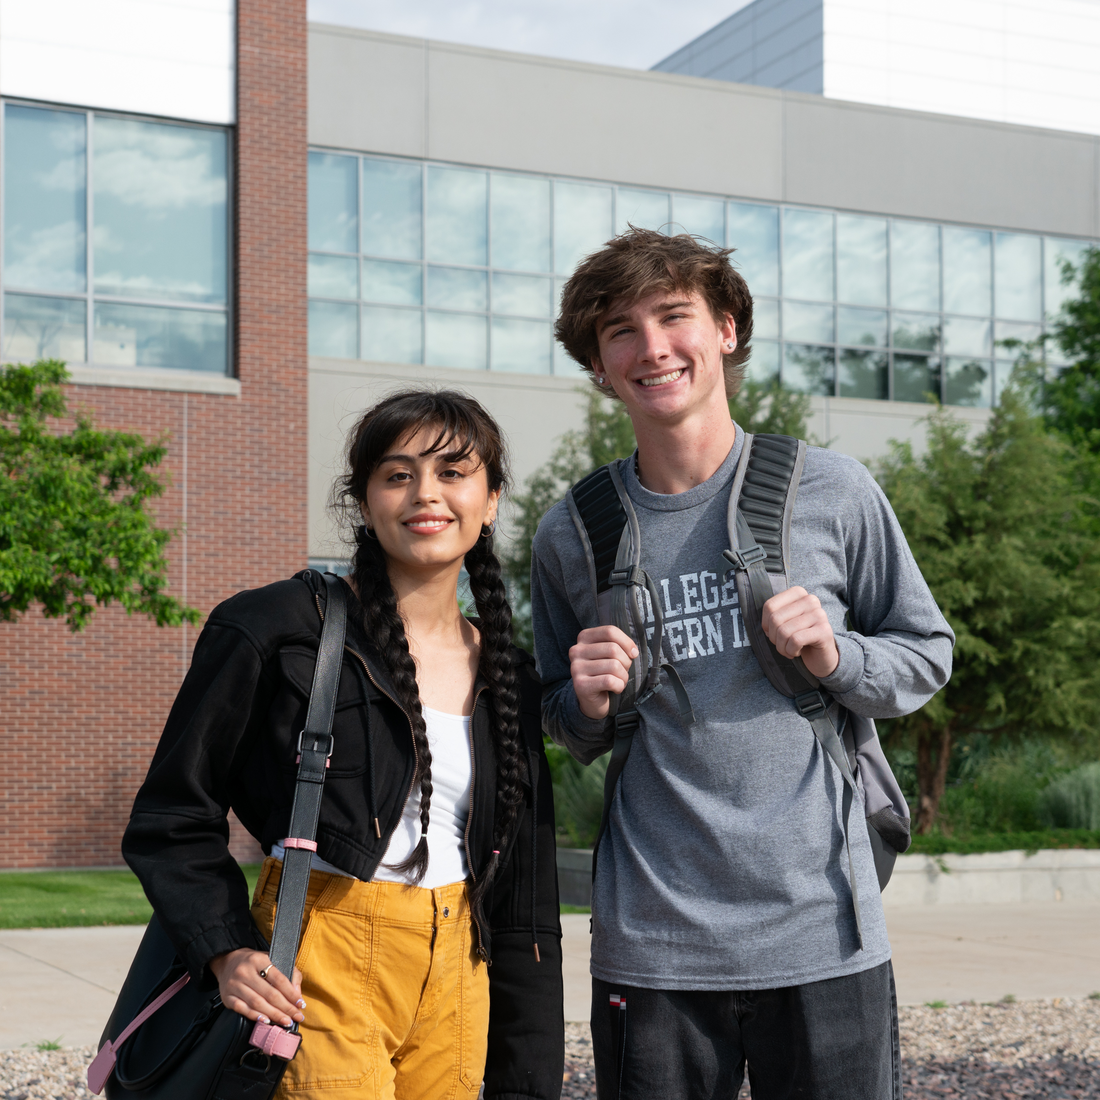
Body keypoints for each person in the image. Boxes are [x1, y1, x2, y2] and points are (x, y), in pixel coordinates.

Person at [530, 228, 954, 1099]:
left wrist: (837, 656)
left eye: (674, 316)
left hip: (824, 933)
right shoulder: (571, 531)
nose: (651, 348)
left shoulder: (831, 489)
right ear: (599, 365)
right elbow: (561, 724)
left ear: (725, 330)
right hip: (653, 947)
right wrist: (584, 704)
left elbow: (926, 655)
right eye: (620, 330)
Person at [123, 389, 564, 1100]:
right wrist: (226, 949)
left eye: (454, 472)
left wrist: (529, 1081)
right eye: (397, 475)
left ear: (491, 501)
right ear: (364, 500)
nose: (427, 494)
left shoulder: (509, 676)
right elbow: (171, 816)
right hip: (319, 954)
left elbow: (524, 902)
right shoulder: (277, 627)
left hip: (460, 968)